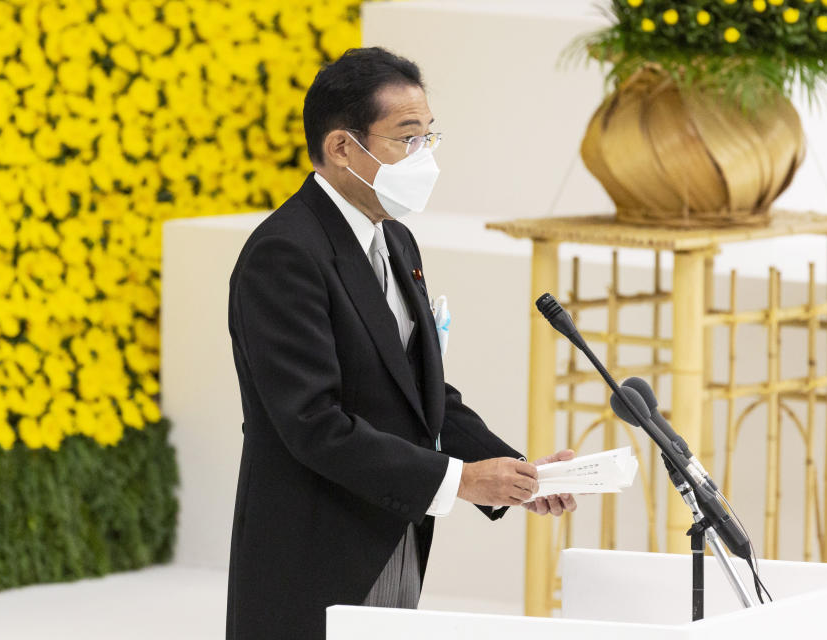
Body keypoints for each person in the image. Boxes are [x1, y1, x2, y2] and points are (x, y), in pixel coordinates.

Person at [226, 46, 577, 640]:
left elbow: (420, 390)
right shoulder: (284, 253)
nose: (424, 158)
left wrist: (513, 473)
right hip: (313, 546)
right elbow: (313, 422)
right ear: (342, 147)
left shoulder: (396, 240)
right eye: (406, 139)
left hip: (394, 528)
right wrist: (462, 480)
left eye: (429, 138)